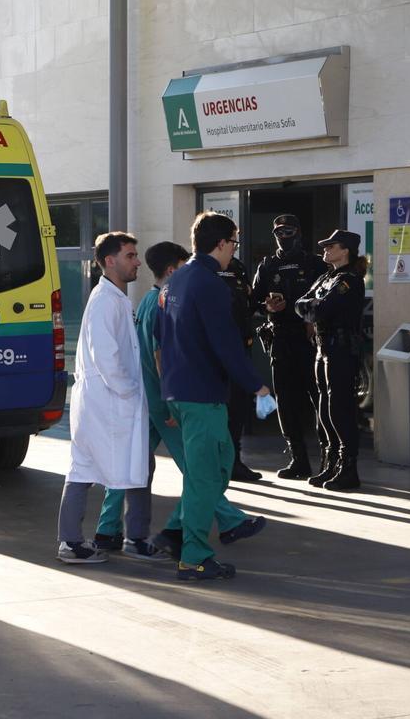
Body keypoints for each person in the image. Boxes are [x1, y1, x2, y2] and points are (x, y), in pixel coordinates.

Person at [96, 241, 251, 563]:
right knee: (198, 468)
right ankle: (228, 519)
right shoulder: (160, 302)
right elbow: (159, 357)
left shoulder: (152, 300)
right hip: (161, 402)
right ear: (172, 269)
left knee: (131, 464)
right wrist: (170, 403)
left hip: (149, 399)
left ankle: (106, 529)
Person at [155, 212, 272, 582]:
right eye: (234, 243)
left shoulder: (175, 282)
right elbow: (227, 345)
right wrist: (257, 384)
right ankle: (194, 557)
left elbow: (162, 337)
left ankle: (175, 530)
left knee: (216, 466)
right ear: (221, 244)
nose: (234, 250)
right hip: (202, 394)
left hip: (182, 390)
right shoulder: (209, 284)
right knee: (208, 475)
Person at [57, 232, 149, 564]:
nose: (137, 261)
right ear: (110, 261)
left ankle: (76, 540)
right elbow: (106, 357)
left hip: (105, 404)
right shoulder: (104, 302)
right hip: (105, 405)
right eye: (130, 255)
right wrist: (129, 391)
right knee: (84, 470)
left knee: (91, 469)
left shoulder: (113, 299)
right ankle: (71, 542)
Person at [250, 214, 328, 479]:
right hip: (281, 338)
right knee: (286, 402)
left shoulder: (315, 264)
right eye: (279, 232)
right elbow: (253, 303)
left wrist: (312, 321)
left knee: (320, 400)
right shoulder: (268, 266)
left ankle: (329, 457)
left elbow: (328, 301)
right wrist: (267, 306)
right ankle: (298, 459)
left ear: (298, 233)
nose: (284, 237)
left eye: (289, 231)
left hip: (309, 340)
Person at [295, 230, 366, 491]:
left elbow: (321, 309)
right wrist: (312, 307)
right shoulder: (327, 277)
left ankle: (348, 469)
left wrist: (312, 308)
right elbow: (300, 303)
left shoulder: (350, 280)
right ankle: (331, 461)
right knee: (324, 407)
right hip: (322, 347)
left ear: (345, 250)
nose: (325, 249)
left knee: (340, 408)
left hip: (341, 349)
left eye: (331, 245)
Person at [218, 255, 262, 482]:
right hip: (220, 352)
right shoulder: (203, 269)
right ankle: (221, 463)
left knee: (238, 407)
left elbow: (249, 300)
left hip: (242, 347)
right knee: (221, 410)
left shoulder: (238, 267)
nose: (234, 246)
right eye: (232, 241)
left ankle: (234, 462)